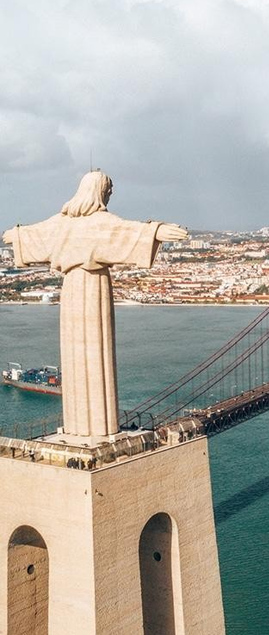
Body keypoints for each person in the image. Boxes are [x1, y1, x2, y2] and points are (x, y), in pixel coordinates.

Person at [3, 171, 188, 438]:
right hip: (93, 288)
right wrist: (156, 231)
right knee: (90, 351)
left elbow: (33, 234)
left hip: (72, 291)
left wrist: (15, 236)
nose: (110, 194)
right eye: (109, 189)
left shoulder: (63, 223)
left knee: (81, 354)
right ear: (99, 191)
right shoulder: (98, 222)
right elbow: (128, 232)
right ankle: (96, 431)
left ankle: (85, 429)